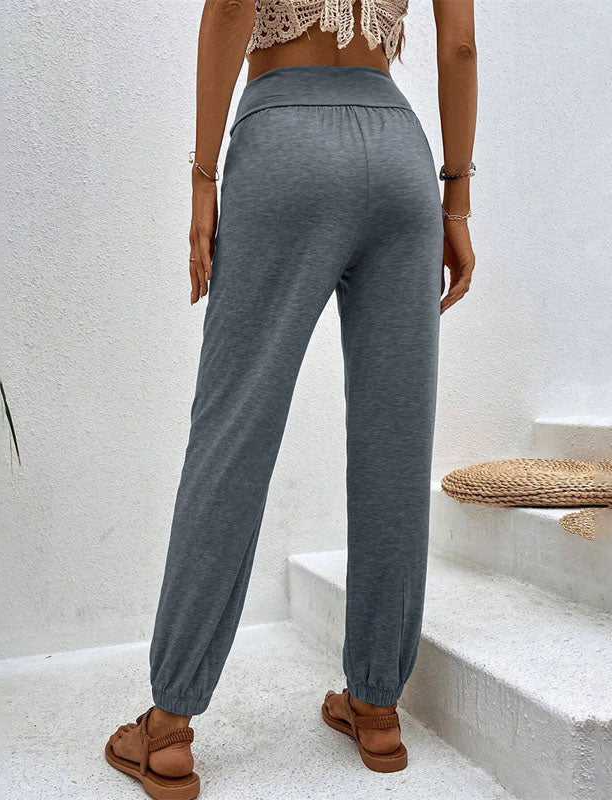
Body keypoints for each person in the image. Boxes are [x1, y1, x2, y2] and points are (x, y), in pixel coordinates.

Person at [105, 1, 476, 797]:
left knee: (233, 431)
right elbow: (460, 45)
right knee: (396, 438)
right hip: (400, 158)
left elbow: (231, 8)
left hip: (283, 145)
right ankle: (377, 704)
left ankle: (168, 728)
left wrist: (203, 178)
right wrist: (456, 200)